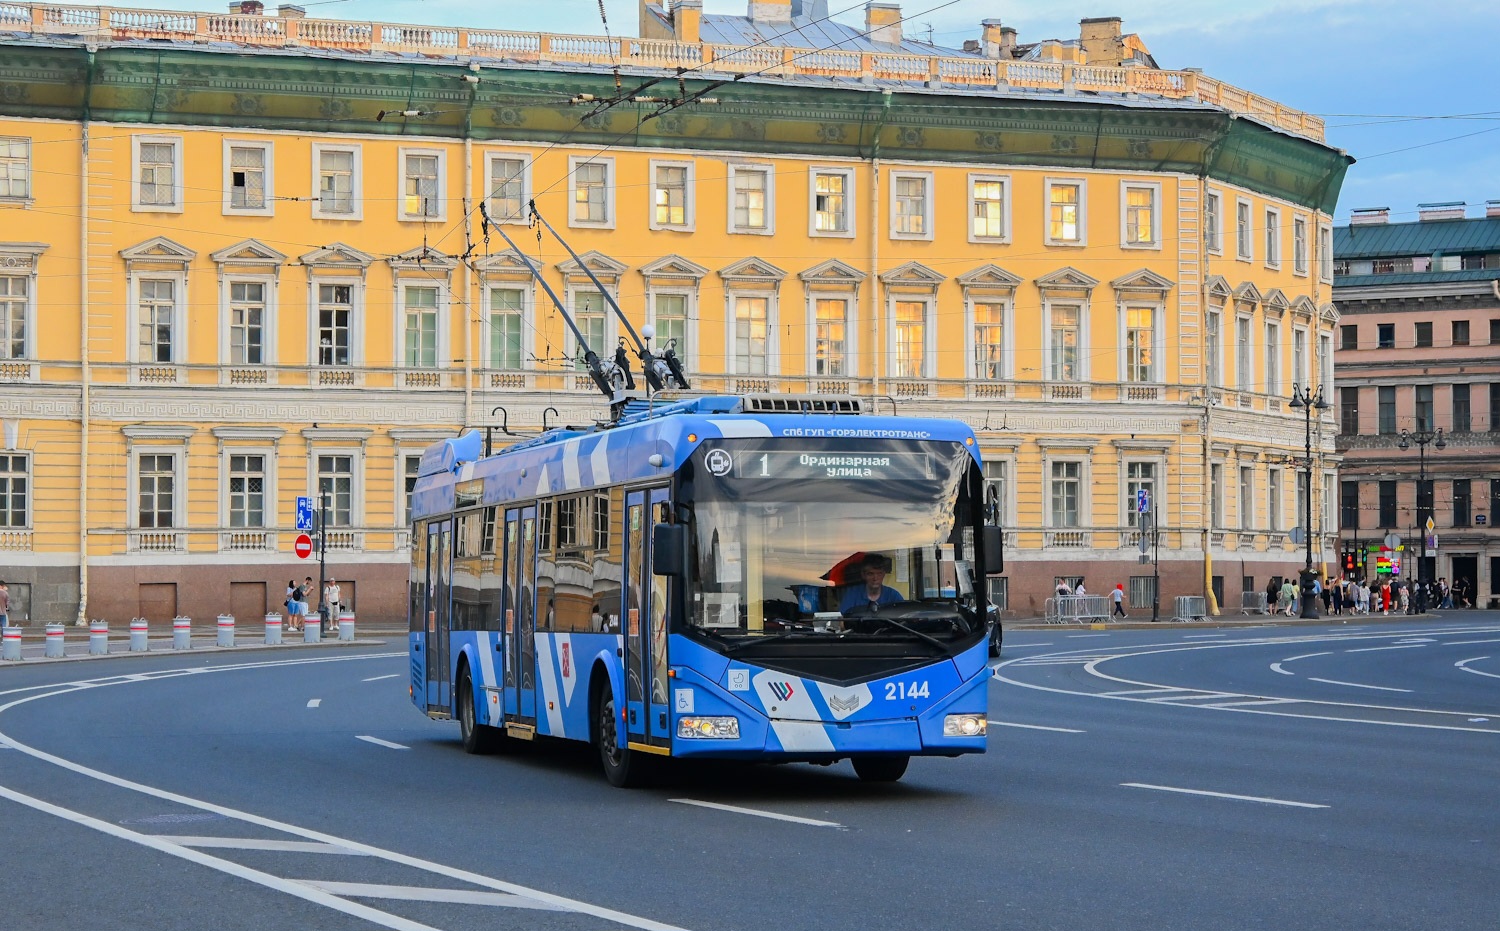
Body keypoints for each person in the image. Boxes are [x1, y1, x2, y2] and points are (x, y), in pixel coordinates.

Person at [839, 554, 904, 613]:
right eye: (870, 574)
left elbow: (904, 617)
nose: (875, 578)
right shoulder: (852, 594)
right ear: (863, 575)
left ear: (884, 574)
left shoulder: (893, 595)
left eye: (879, 574)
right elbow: (842, 621)